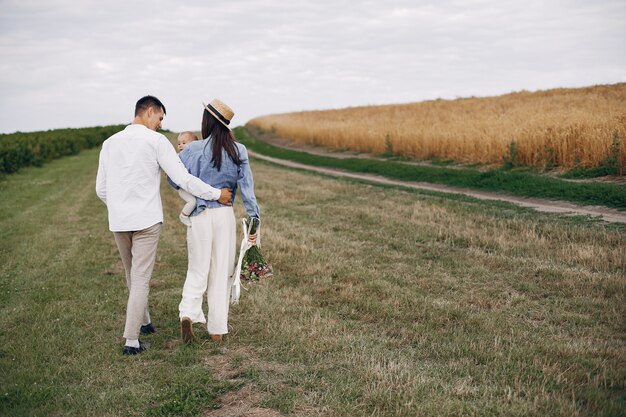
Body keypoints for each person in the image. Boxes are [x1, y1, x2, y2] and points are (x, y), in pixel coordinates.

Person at [95, 95, 233, 355]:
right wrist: (217, 194)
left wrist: (118, 208)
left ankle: (145, 321)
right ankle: (131, 341)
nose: (160, 124)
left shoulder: (109, 143)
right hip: (146, 220)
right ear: (149, 112)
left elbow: (101, 189)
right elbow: (183, 178)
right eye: (159, 118)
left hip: (119, 221)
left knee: (131, 274)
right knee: (140, 279)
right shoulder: (156, 141)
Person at [169, 98, 259, 343]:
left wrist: (197, 193)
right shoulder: (238, 150)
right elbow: (248, 191)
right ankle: (217, 330)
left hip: (199, 214)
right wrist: (254, 222)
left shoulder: (191, 150)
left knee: (198, 268)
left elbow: (174, 180)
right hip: (224, 216)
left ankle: (187, 313)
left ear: (206, 121)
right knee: (221, 272)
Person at [176, 131, 199, 227]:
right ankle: (184, 216)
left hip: (191, 186)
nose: (180, 145)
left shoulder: (196, 156)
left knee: (195, 201)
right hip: (183, 188)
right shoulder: (177, 157)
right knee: (192, 201)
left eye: (184, 143)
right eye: (179, 143)